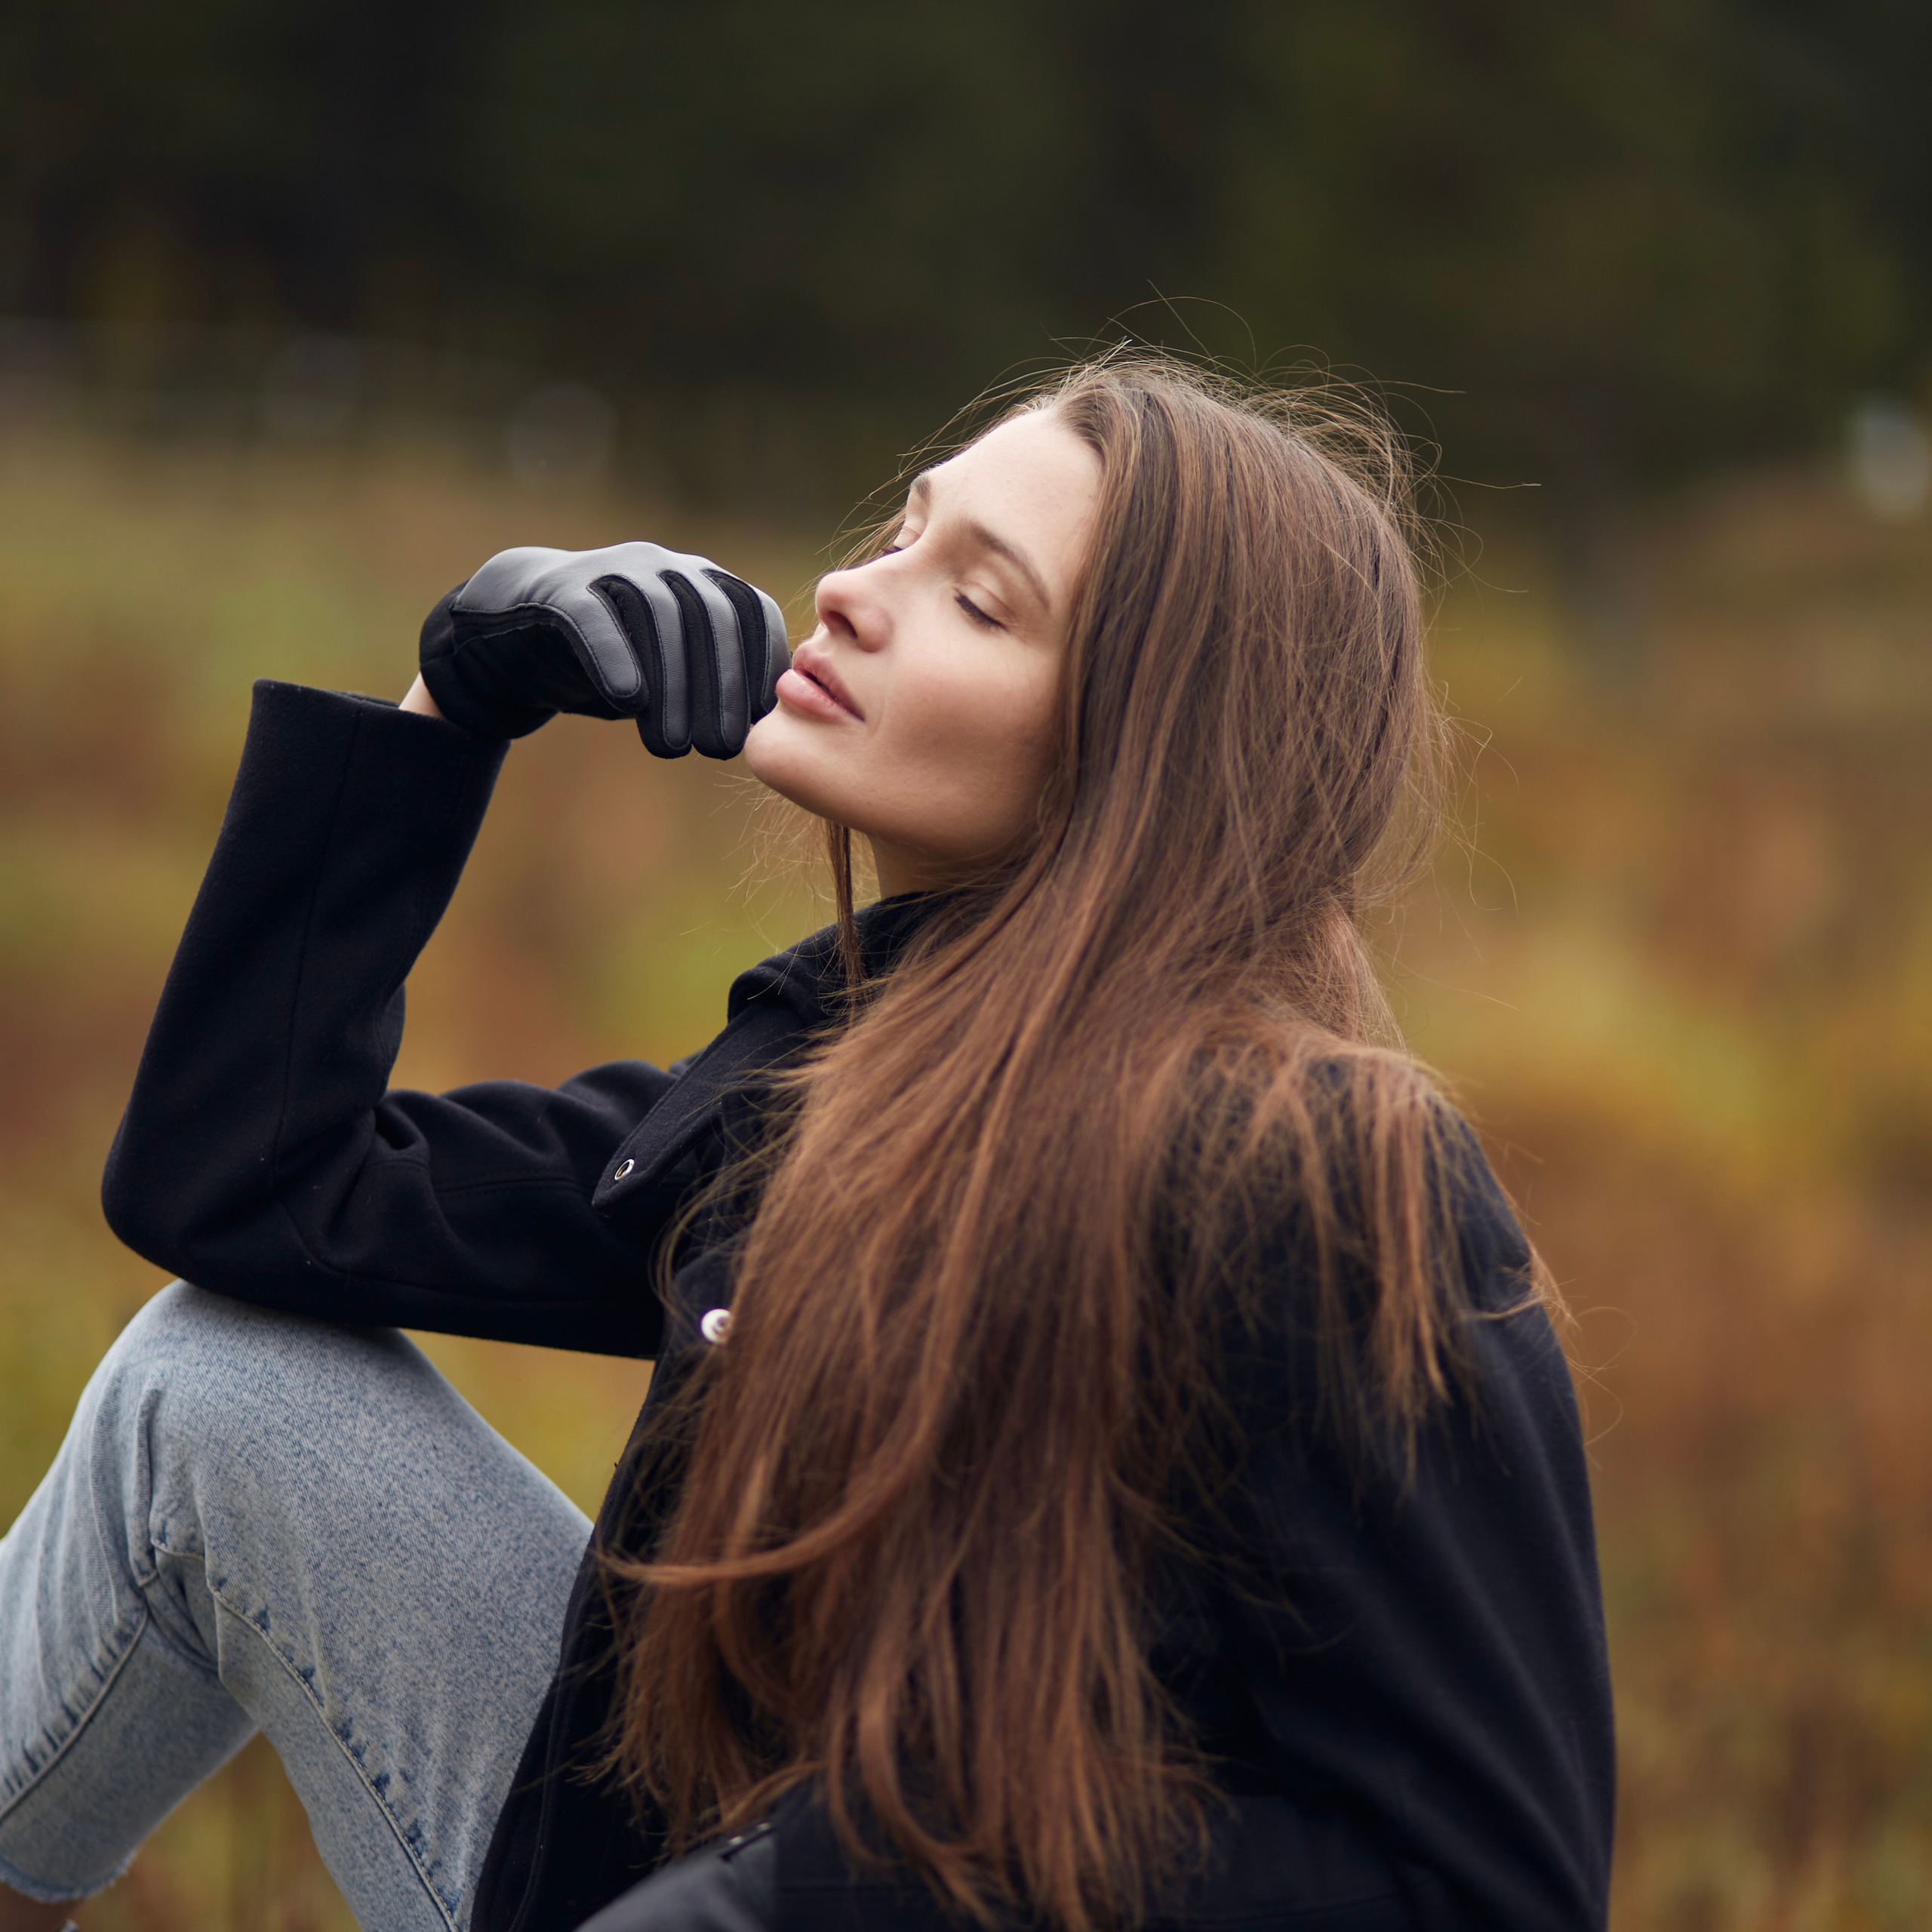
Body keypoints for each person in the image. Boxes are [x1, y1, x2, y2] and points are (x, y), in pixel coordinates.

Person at [0, 357, 1614, 1932]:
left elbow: (1480, 1877)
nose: (850, 589)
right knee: (209, 1388)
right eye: (904, 532)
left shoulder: (1316, 1169)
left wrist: (794, 1896)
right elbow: (251, 1183)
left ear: (1149, 759)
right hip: (629, 1858)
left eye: (981, 599)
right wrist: (454, 704)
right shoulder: (823, 1085)